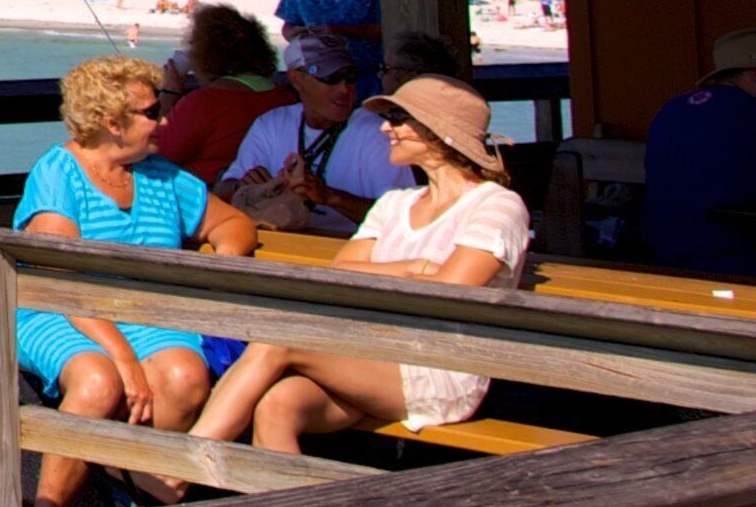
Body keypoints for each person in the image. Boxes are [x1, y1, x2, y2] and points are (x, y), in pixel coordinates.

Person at [191, 76, 529, 451]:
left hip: (439, 367)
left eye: (398, 117)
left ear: (438, 131)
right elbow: (339, 275)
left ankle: (179, 469)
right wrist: (412, 268)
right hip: (369, 351)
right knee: (278, 404)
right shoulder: (395, 203)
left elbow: (450, 292)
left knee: (277, 342)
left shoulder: (495, 205)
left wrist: (392, 278)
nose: (386, 127)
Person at [14, 56, 258, 507]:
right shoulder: (58, 173)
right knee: (98, 381)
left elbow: (233, 223)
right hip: (59, 309)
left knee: (185, 375)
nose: (163, 121)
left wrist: (219, 269)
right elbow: (60, 278)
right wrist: (124, 357)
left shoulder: (161, 175)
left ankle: (131, 488)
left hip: (144, 313)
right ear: (112, 123)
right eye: (151, 112)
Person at [219, 30, 402, 230]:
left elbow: (401, 218)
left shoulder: (377, 131)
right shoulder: (271, 124)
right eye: (330, 78)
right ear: (297, 79)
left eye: (350, 77)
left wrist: (330, 197)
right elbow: (223, 191)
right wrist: (244, 187)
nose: (344, 89)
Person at [647, 28, 756, 279]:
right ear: (753, 75)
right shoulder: (749, 113)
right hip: (737, 261)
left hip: (665, 257)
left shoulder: (672, 109)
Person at [153, 6, 290, 184]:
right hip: (258, 194)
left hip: (204, 198)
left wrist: (170, 91)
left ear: (203, 53)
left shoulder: (204, 103)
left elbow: (155, 150)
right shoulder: (284, 98)